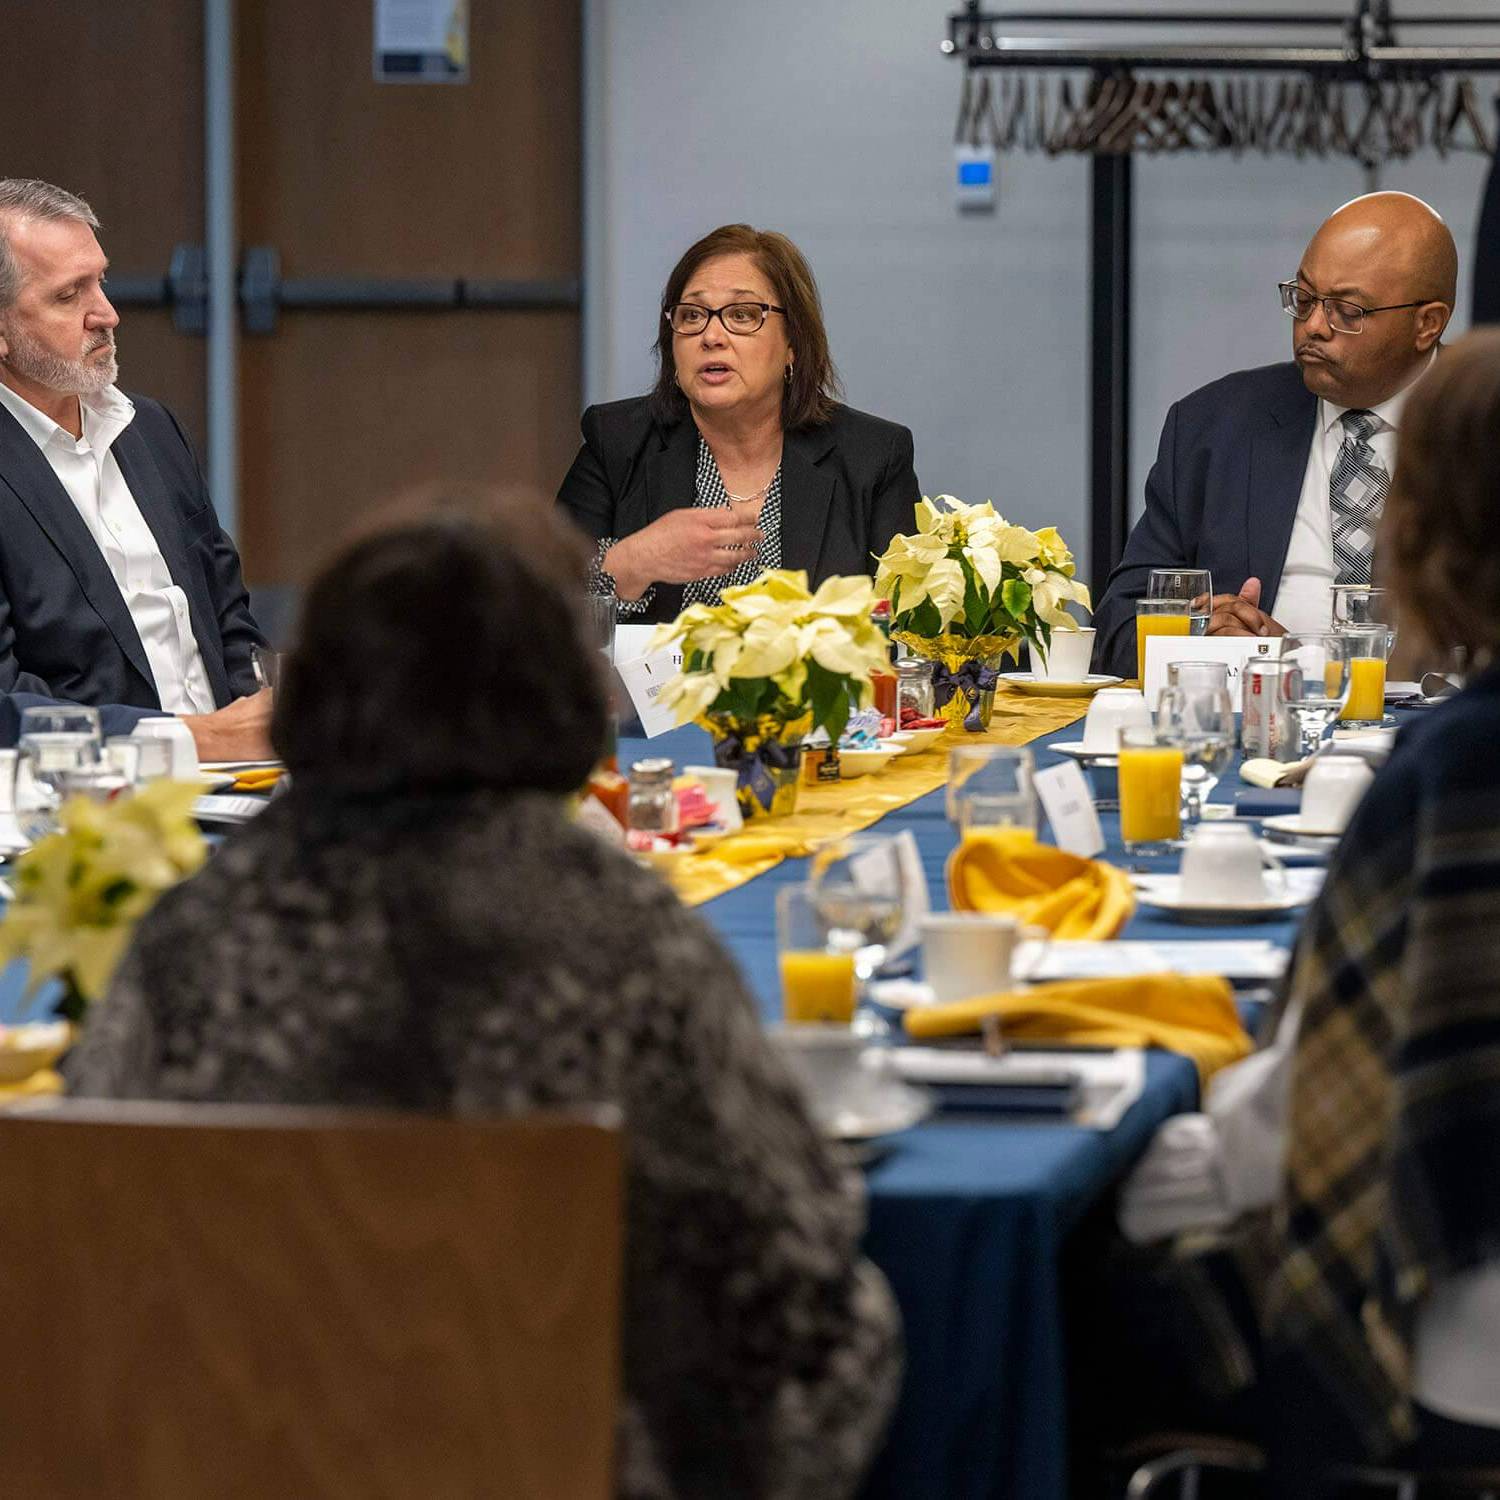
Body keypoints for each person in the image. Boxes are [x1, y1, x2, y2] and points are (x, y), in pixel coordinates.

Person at [62, 485, 902, 1500]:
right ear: (554, 687)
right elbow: (791, 1286)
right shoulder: (617, 937)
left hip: (233, 1459)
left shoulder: (191, 937)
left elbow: (88, 1246)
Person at [1114, 330, 1500, 1491]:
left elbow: (1309, 1124)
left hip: (1453, 1345)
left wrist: (1113, 1174)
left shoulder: (1455, 772)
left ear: (1431, 533)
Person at [1091, 192, 1456, 679]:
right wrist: (1196, 631)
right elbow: (1115, 630)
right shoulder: (1215, 427)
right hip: (1248, 732)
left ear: (1426, 324)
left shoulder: (1479, 427)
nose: (1312, 326)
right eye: (1303, 299)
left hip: (1440, 737)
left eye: (1347, 311)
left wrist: (1307, 666)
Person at [0, 178, 270, 756]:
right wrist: (194, 740)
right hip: (86, 809)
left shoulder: (151, 429)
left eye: (101, 280)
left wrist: (264, 722)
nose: (108, 314)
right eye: (69, 296)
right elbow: (5, 708)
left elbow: (228, 617)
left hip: (233, 783)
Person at [557, 223, 921, 624]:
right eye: (692, 315)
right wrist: (635, 561)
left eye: (742, 315)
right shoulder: (617, 442)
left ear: (792, 345)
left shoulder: (872, 457)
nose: (711, 335)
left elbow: (909, 633)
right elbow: (542, 605)